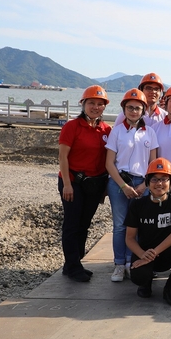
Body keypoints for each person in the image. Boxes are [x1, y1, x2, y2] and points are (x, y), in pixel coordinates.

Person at [57, 85, 112, 282]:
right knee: (72, 224)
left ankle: (73, 263)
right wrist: (67, 184)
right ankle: (73, 267)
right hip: (73, 182)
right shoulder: (72, 127)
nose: (95, 107)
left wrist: (104, 188)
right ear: (83, 104)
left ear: (104, 107)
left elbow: (108, 160)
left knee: (84, 225)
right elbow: (63, 157)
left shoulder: (106, 130)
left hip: (94, 184)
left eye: (100, 104)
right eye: (91, 103)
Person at [105, 88, 159, 283]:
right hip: (119, 182)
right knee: (120, 225)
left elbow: (153, 164)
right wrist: (123, 186)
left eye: (137, 108)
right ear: (124, 109)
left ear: (143, 110)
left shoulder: (150, 132)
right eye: (130, 107)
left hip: (142, 183)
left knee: (138, 225)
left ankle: (132, 261)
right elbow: (109, 163)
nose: (134, 111)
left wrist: (145, 185)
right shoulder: (117, 131)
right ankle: (119, 263)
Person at [124, 158, 171, 306]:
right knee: (139, 276)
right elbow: (129, 238)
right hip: (145, 252)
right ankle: (146, 282)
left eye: (164, 179)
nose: (159, 183)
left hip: (166, 253)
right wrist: (143, 254)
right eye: (154, 179)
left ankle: (170, 287)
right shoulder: (137, 205)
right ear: (148, 182)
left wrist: (154, 252)